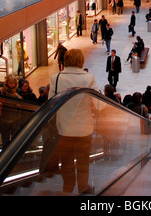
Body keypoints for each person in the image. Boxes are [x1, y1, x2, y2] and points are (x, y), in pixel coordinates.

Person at [48, 49, 100, 194]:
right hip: (84, 129)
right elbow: (99, 104)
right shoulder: (88, 78)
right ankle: (83, 188)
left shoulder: (56, 78)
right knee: (83, 160)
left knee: (66, 162)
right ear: (81, 61)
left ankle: (67, 188)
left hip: (63, 129)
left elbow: (50, 104)